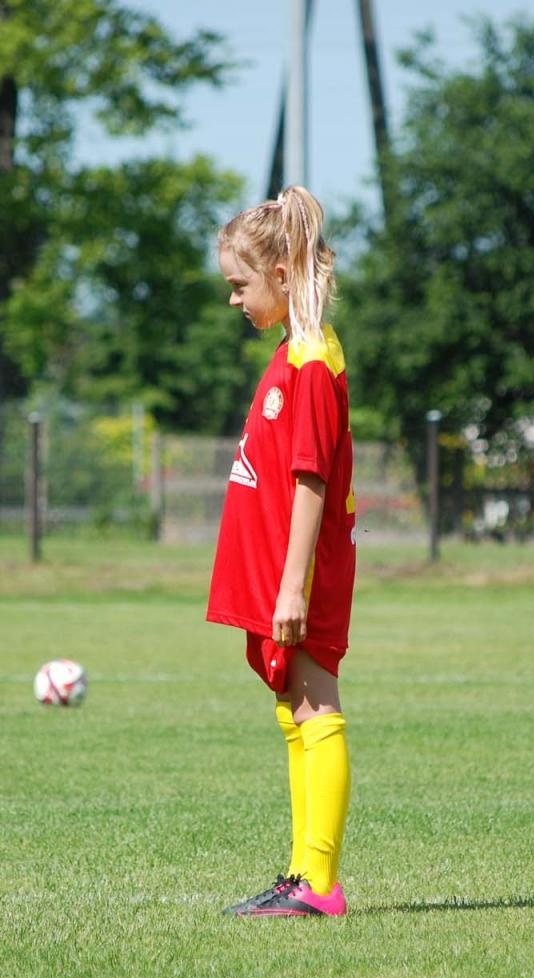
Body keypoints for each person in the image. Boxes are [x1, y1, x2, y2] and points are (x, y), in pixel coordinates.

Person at [206, 186, 356, 917]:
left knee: (316, 701)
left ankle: (319, 883)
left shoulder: (313, 362)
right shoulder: (289, 355)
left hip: (302, 574)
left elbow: (311, 479)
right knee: (294, 706)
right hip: (276, 572)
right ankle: (300, 874)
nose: (234, 300)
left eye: (241, 284)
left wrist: (292, 585)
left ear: (285, 275)